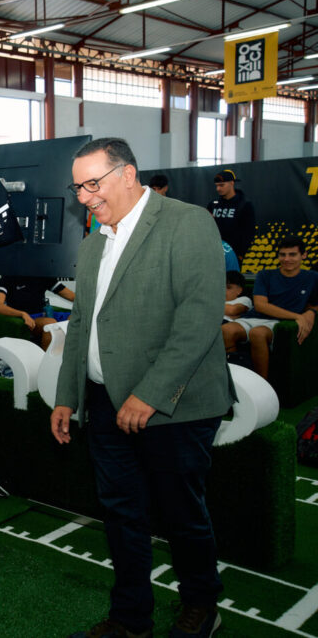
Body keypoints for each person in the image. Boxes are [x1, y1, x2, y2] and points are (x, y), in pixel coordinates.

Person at [50, 138, 232, 638]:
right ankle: (132, 618)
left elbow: (197, 322)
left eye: (92, 184)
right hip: (107, 405)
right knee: (121, 514)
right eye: (78, 187)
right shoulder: (93, 244)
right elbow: (81, 323)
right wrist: (69, 396)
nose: (84, 196)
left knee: (180, 512)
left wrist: (150, 394)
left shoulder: (187, 222)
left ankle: (202, 604)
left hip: (175, 406)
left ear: (127, 174)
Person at [220, 236, 318, 379]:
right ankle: (236, 381)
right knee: (226, 330)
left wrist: (311, 312)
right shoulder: (265, 275)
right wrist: (298, 316)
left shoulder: (312, 277)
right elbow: (260, 305)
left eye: (292, 254)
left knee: (257, 334)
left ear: (303, 255)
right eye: (282, 255)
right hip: (254, 318)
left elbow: (314, 303)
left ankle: (262, 385)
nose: (286, 259)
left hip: (278, 323)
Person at [0, 276, 75, 350]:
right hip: (27, 317)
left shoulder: (43, 275)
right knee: (50, 324)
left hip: (45, 314)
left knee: (75, 318)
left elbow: (72, 296)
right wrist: (22, 314)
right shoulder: (9, 277)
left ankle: (67, 359)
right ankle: (46, 363)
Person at [207, 169, 255, 263]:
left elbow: (249, 232)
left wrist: (241, 254)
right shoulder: (213, 204)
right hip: (214, 253)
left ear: (232, 183)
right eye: (216, 186)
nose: (218, 189)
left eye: (221, 185)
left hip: (234, 254)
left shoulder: (244, 205)